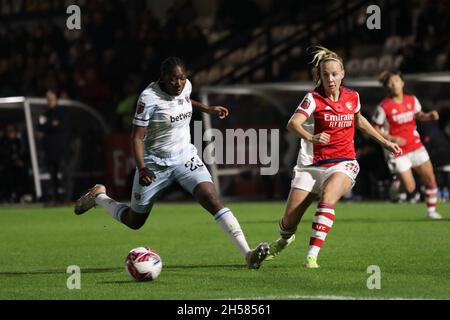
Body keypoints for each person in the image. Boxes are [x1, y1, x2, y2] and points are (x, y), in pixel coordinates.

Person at [74, 57, 269, 269]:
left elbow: (185, 101)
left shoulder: (185, 87)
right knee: (134, 221)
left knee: (212, 199)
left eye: (182, 78)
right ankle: (99, 197)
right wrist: (142, 168)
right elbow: (136, 138)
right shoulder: (148, 98)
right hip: (154, 164)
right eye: (173, 79)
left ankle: (248, 254)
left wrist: (207, 109)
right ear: (163, 78)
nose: (179, 83)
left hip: (185, 157)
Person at [265, 47, 402, 268]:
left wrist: (385, 142)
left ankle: (311, 256)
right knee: (289, 222)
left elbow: (359, 121)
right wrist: (312, 137)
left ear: (342, 74)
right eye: (325, 74)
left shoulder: (352, 96)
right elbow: (293, 123)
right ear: (320, 75)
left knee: (327, 199)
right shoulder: (313, 98)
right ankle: (284, 240)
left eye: (334, 74)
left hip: (343, 162)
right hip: (310, 165)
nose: (330, 78)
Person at [372, 69, 443, 219]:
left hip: (415, 145)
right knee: (410, 188)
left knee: (430, 178)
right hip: (396, 150)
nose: (394, 84)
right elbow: (374, 129)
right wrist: (391, 138)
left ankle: (431, 211)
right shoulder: (383, 106)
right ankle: (395, 189)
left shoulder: (412, 100)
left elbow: (418, 115)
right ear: (387, 87)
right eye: (391, 83)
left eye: (396, 81)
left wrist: (429, 116)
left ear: (402, 82)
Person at [37, 90, 71, 204]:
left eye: (51, 98)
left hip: (61, 148)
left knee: (64, 174)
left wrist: (48, 126)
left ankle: (66, 199)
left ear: (56, 98)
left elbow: (61, 127)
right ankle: (55, 198)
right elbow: (40, 127)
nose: (49, 101)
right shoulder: (46, 113)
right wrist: (51, 124)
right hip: (49, 149)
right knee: (53, 175)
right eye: (48, 99)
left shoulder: (62, 111)